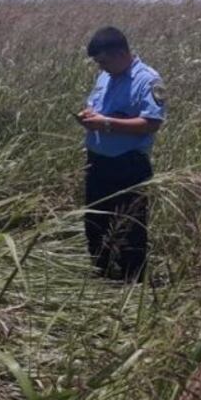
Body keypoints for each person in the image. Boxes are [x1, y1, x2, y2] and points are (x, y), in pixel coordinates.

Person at [76, 26, 166, 282]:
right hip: (97, 163)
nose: (100, 67)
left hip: (128, 165)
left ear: (120, 53)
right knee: (95, 222)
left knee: (130, 227)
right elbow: (97, 107)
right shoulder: (105, 77)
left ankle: (133, 282)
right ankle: (102, 276)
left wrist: (105, 124)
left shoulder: (148, 80)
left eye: (103, 61)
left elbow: (151, 123)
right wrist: (89, 116)